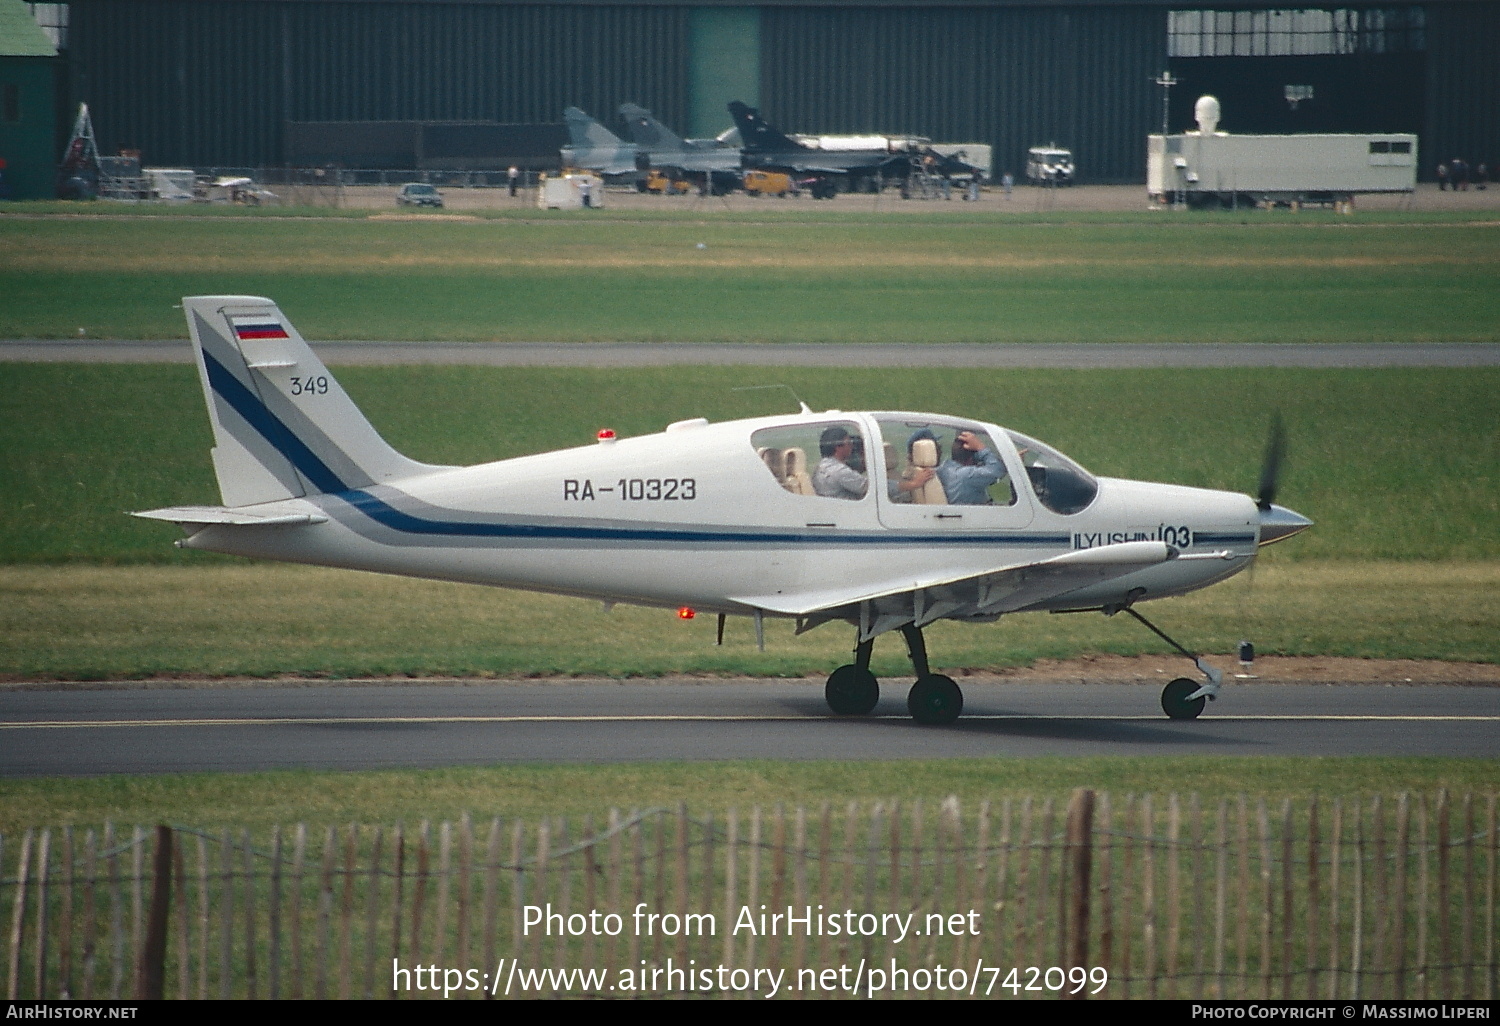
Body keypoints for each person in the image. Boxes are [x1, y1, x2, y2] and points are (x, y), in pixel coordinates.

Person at [936, 430, 1005, 504]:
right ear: (972, 459)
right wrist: (980, 447)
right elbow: (997, 469)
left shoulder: (944, 468)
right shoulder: (967, 475)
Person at [812, 426, 868, 500]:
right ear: (838, 447)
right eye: (848, 443)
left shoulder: (822, 466)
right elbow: (872, 487)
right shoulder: (839, 470)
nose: (851, 446)